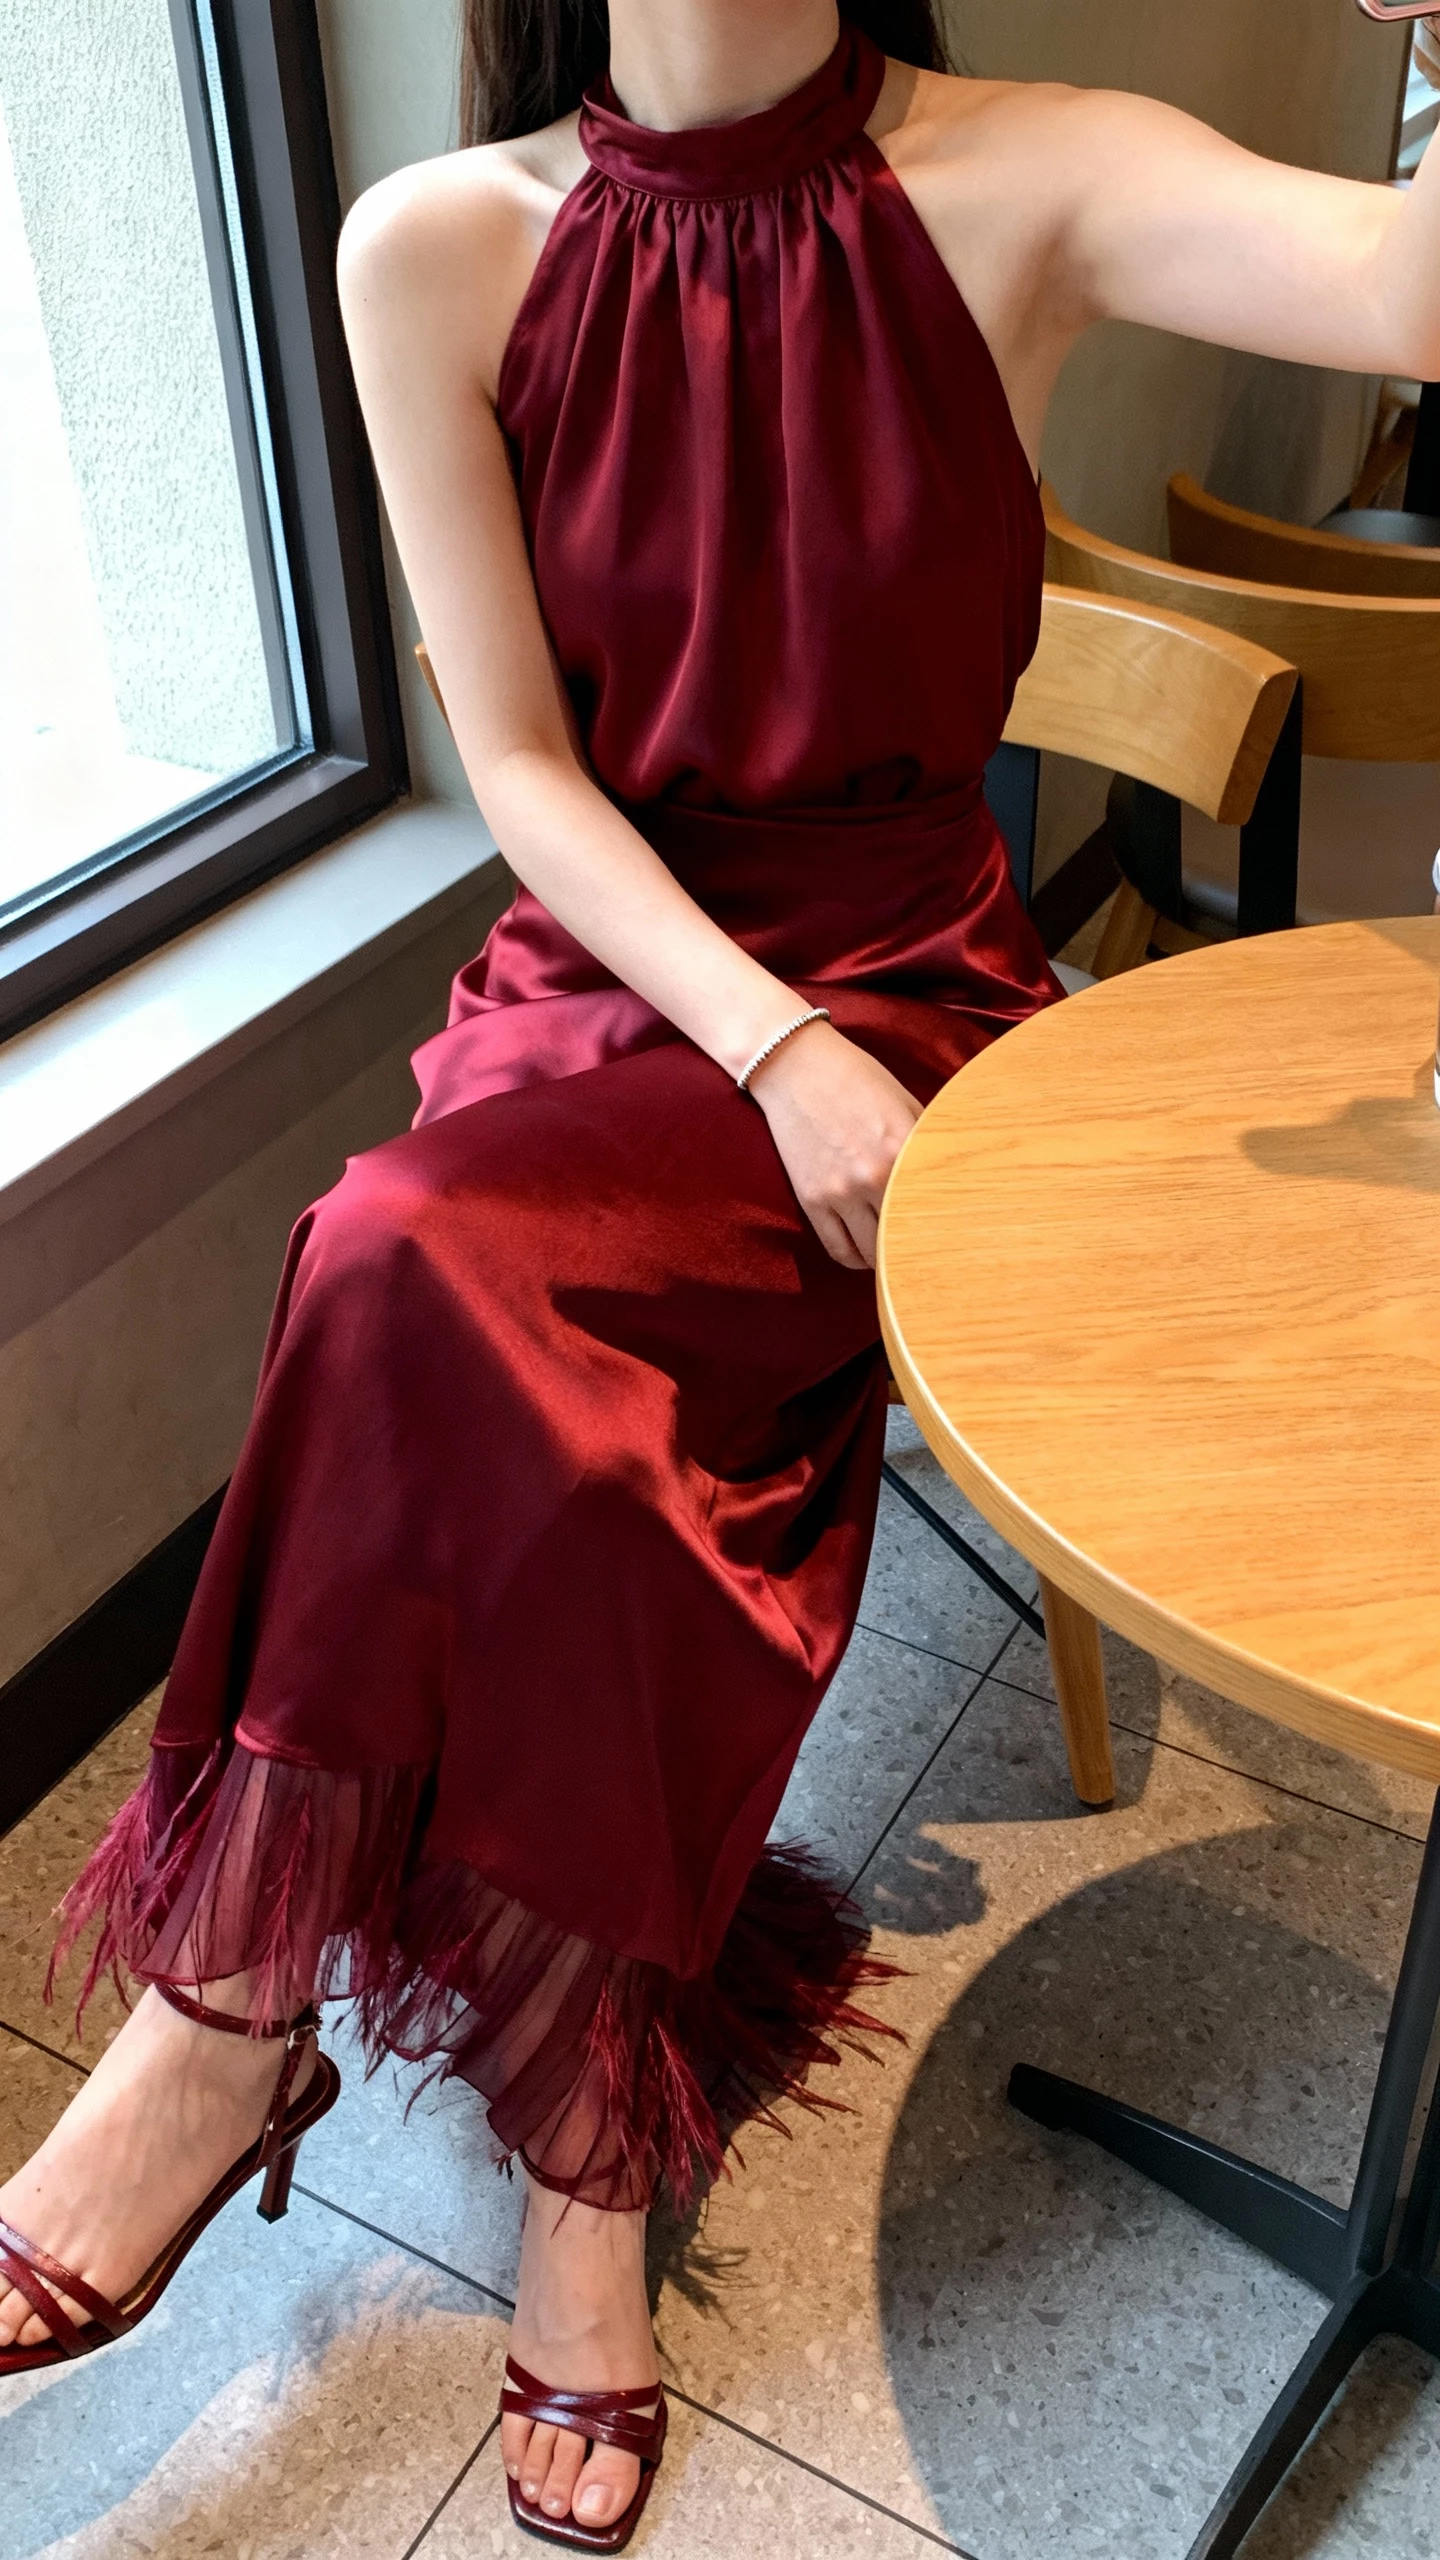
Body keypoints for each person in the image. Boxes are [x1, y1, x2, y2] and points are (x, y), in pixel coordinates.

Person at [4, 1, 1438, 2546]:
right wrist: (761, 1045)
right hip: (636, 988)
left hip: (920, 1011)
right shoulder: (432, 245)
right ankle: (524, 2118)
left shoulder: (1031, 171)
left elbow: (1410, 290)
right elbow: (524, 769)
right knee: (445, 1292)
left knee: (424, 1282)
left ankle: (240, 2016)